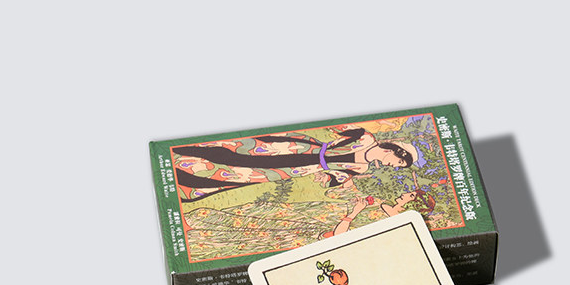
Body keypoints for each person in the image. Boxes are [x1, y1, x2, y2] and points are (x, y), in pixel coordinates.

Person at [172, 127, 419, 201]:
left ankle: (188, 179)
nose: (394, 165)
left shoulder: (362, 169)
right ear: (393, 150)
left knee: (245, 174)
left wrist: (327, 178)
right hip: (300, 148)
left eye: (399, 166)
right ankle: (182, 154)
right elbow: (339, 128)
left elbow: (335, 178)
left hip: (301, 168)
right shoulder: (365, 137)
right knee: (242, 151)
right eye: (398, 161)